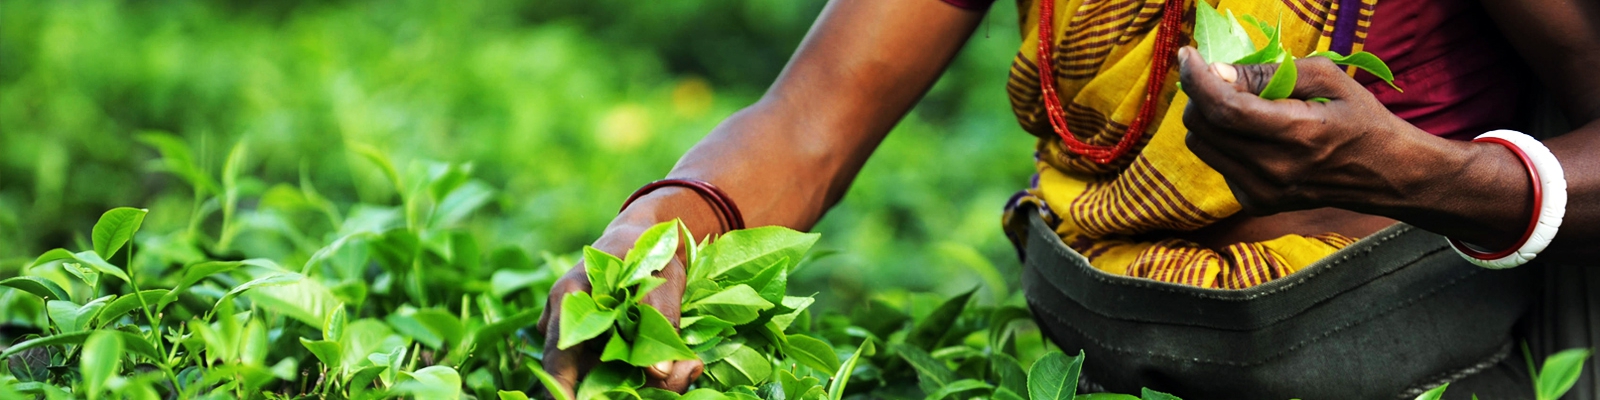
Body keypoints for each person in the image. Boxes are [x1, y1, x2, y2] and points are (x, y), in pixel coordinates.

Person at [537, 0, 1600, 397]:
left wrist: (1430, 177)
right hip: (1097, 370)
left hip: (1408, 377)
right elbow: (810, 121)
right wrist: (653, 236)